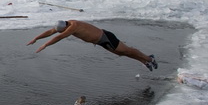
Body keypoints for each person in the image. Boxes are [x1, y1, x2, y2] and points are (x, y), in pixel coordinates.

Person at [27, 20, 157, 71]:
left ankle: (149, 58)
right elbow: (51, 32)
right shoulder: (64, 25)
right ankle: (144, 61)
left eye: (63, 30)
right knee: (121, 53)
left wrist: (45, 45)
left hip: (106, 37)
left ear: (65, 27)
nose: (63, 31)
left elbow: (59, 36)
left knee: (127, 50)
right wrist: (36, 38)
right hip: (101, 41)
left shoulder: (73, 26)